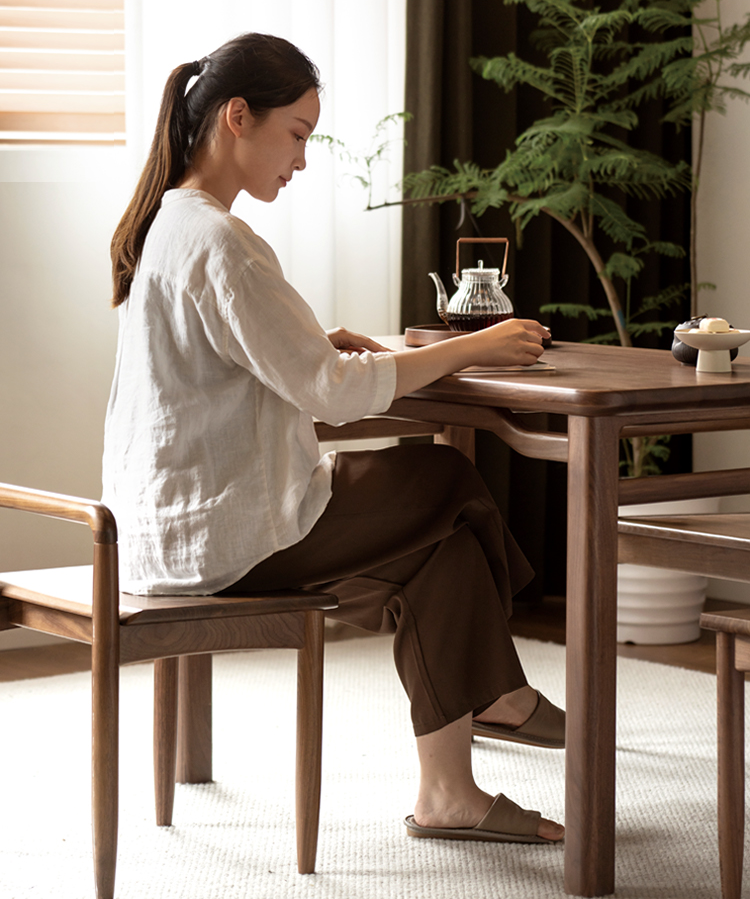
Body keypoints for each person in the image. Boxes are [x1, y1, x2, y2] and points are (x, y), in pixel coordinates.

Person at [103, 32, 564, 846]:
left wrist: (316, 341)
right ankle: (502, 695)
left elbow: (239, 376)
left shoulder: (171, 225)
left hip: (164, 527)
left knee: (443, 548)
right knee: (447, 480)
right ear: (237, 118)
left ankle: (450, 794)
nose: (302, 160)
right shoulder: (219, 240)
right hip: (223, 535)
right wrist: (472, 346)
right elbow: (334, 395)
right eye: (299, 134)